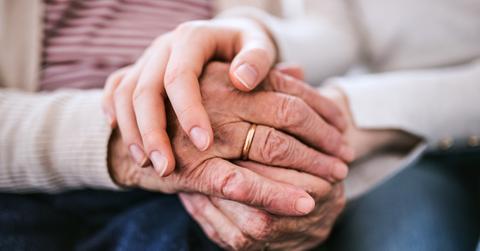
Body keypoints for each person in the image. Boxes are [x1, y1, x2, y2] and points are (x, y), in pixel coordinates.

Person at [0, 0, 350, 250]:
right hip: (23, 180)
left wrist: (253, 33)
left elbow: (335, 36)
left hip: (200, 183)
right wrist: (121, 137)